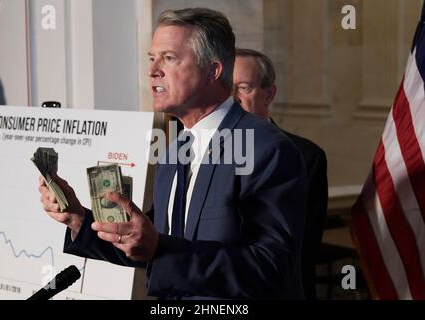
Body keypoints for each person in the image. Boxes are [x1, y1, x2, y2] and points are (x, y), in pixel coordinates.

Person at [39, 8, 307, 299]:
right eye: (152, 58)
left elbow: (272, 269)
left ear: (213, 71)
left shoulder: (266, 150)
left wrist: (160, 248)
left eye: (169, 58)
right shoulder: (173, 152)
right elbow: (149, 242)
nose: (153, 71)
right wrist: (79, 219)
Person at [233, 48, 328, 299]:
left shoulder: (307, 156)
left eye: (243, 87)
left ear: (269, 93)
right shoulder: (199, 153)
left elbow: (303, 246)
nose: (233, 98)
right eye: (226, 89)